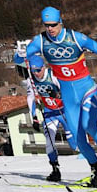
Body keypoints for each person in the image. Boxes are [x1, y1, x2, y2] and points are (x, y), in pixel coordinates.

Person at [15, 6, 97, 187]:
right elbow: (19, 60)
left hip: (87, 90)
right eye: (46, 25)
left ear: (60, 22)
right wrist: (19, 54)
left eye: (53, 25)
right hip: (68, 95)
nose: (50, 28)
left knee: (89, 126)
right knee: (77, 136)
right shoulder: (40, 41)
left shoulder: (75, 37)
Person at [26, 54, 70, 182]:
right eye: (33, 71)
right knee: (49, 141)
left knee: (74, 144)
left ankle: (94, 168)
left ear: (44, 68)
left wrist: (57, 94)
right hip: (49, 113)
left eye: (38, 70)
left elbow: (67, 91)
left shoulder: (53, 75)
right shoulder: (31, 81)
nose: (36, 74)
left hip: (63, 112)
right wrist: (33, 116)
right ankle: (55, 170)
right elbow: (30, 98)